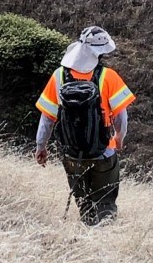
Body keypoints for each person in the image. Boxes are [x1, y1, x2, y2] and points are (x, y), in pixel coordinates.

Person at [33, 25, 135, 224]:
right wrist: (119, 138)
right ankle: (104, 237)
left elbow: (47, 118)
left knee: (84, 203)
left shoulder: (59, 76)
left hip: (72, 154)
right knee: (105, 203)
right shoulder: (108, 76)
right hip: (103, 152)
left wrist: (40, 146)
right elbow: (121, 117)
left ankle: (87, 234)